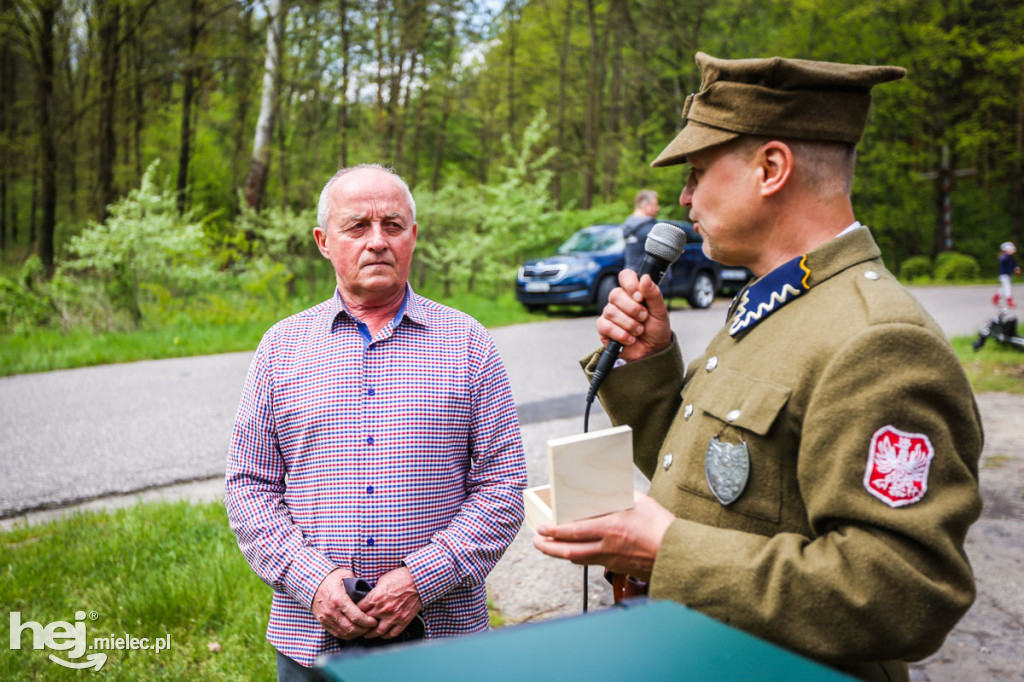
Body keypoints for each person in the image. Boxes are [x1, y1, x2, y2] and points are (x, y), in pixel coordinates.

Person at [533, 53, 982, 682]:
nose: (684, 198)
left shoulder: (877, 338)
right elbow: (730, 484)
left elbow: (904, 594)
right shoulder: (777, 302)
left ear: (771, 168)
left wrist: (665, 549)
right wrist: (651, 365)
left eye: (696, 173)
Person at [226, 164, 527, 680]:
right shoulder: (281, 347)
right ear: (324, 241)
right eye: (357, 227)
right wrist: (311, 580)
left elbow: (503, 487)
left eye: (392, 225)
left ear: (413, 235)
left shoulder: (468, 342)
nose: (377, 241)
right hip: (311, 639)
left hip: (444, 638)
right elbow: (248, 485)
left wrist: (419, 580)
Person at [622, 189, 661, 271]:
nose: (658, 208)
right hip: (650, 279)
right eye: (656, 204)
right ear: (647, 206)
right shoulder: (650, 228)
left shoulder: (628, 225)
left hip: (630, 276)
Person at [993, 240, 1019, 308]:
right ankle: (1010, 302)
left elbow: (1014, 265)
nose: (1012, 250)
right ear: (1006, 250)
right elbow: (1002, 260)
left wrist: (1016, 269)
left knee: (1004, 289)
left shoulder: (1011, 258)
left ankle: (995, 298)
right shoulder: (1005, 256)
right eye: (1010, 249)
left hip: (1009, 275)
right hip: (1003, 275)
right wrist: (1007, 254)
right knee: (1008, 288)